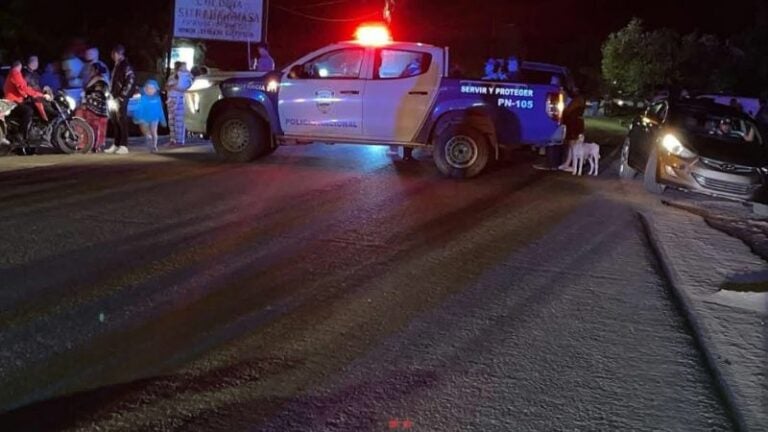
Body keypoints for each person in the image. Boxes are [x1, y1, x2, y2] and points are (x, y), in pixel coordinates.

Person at [3, 61, 50, 139]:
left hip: (15, 100)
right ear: (19, 66)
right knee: (28, 111)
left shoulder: (12, 74)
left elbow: (23, 88)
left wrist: (30, 93)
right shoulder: (15, 73)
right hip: (13, 102)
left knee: (30, 107)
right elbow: (23, 87)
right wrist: (39, 95)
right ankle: (21, 134)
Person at [107, 45, 136, 155]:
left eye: (114, 54)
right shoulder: (117, 66)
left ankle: (124, 145)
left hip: (120, 97)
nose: (113, 56)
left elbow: (130, 81)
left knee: (121, 121)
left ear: (120, 54)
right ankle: (116, 144)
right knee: (115, 121)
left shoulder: (126, 66)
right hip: (114, 97)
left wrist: (122, 96)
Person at [77, 63, 110, 152]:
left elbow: (102, 92)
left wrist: (88, 97)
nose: (89, 71)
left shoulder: (101, 80)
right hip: (91, 107)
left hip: (98, 108)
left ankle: (97, 145)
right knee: (90, 126)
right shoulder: (91, 79)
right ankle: (88, 144)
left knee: (97, 127)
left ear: (96, 70)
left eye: (91, 69)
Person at [132, 80, 166, 152]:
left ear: (155, 90)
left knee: (154, 131)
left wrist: (163, 119)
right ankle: (149, 138)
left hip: (155, 118)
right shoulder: (143, 98)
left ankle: (154, 146)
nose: (150, 90)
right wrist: (137, 116)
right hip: (145, 117)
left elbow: (160, 109)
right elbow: (139, 108)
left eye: (152, 88)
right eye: (148, 88)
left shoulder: (157, 98)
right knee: (145, 130)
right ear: (145, 89)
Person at [165, 61, 193, 147]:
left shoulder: (187, 76)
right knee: (171, 121)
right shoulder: (172, 76)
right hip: (171, 100)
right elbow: (166, 87)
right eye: (182, 67)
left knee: (179, 121)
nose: (184, 68)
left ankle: (180, 141)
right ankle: (173, 140)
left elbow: (184, 87)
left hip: (180, 100)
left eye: (184, 67)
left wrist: (174, 86)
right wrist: (171, 86)